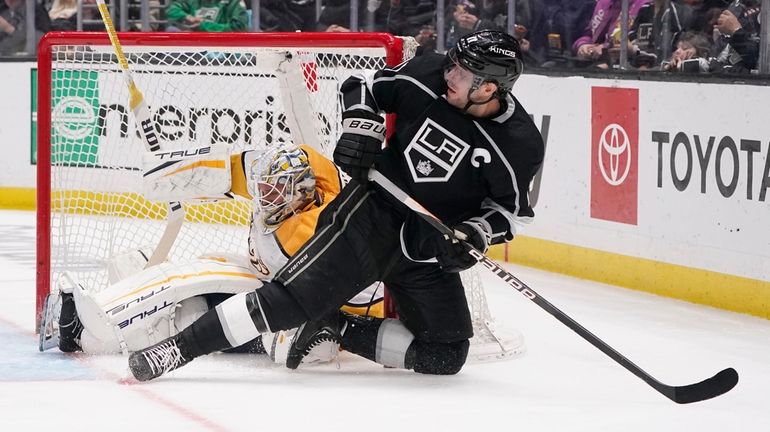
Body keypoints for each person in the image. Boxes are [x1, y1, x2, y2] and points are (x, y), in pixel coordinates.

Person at [127, 30, 544, 381]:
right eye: (452, 64)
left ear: (489, 88)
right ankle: (176, 350)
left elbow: (509, 213)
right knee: (286, 300)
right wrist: (362, 126)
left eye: (462, 73)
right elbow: (361, 87)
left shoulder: (519, 144)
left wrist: (476, 234)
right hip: (368, 217)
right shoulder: (428, 75)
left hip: (425, 249)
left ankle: (334, 325)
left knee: (446, 354)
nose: (449, 75)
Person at [42, 143, 384, 363]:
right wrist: (178, 171)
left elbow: (351, 296)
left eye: (273, 191)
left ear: (298, 195)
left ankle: (96, 336)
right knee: (201, 269)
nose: (263, 196)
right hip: (277, 282)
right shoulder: (310, 183)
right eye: (262, 188)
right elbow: (278, 163)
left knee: (205, 316)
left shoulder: (305, 237)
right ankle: (111, 317)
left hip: (315, 308)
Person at [573, 0, 651, 68]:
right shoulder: (603, 3)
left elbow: (646, 49)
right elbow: (588, 33)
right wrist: (582, 45)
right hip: (597, 64)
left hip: (629, 69)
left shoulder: (645, 6)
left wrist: (604, 48)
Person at [166, 0, 247, 32]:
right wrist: (188, 17)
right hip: (194, 43)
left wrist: (203, 26)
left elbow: (239, 27)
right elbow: (171, 10)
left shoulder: (234, 2)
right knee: (171, 30)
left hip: (221, 46)